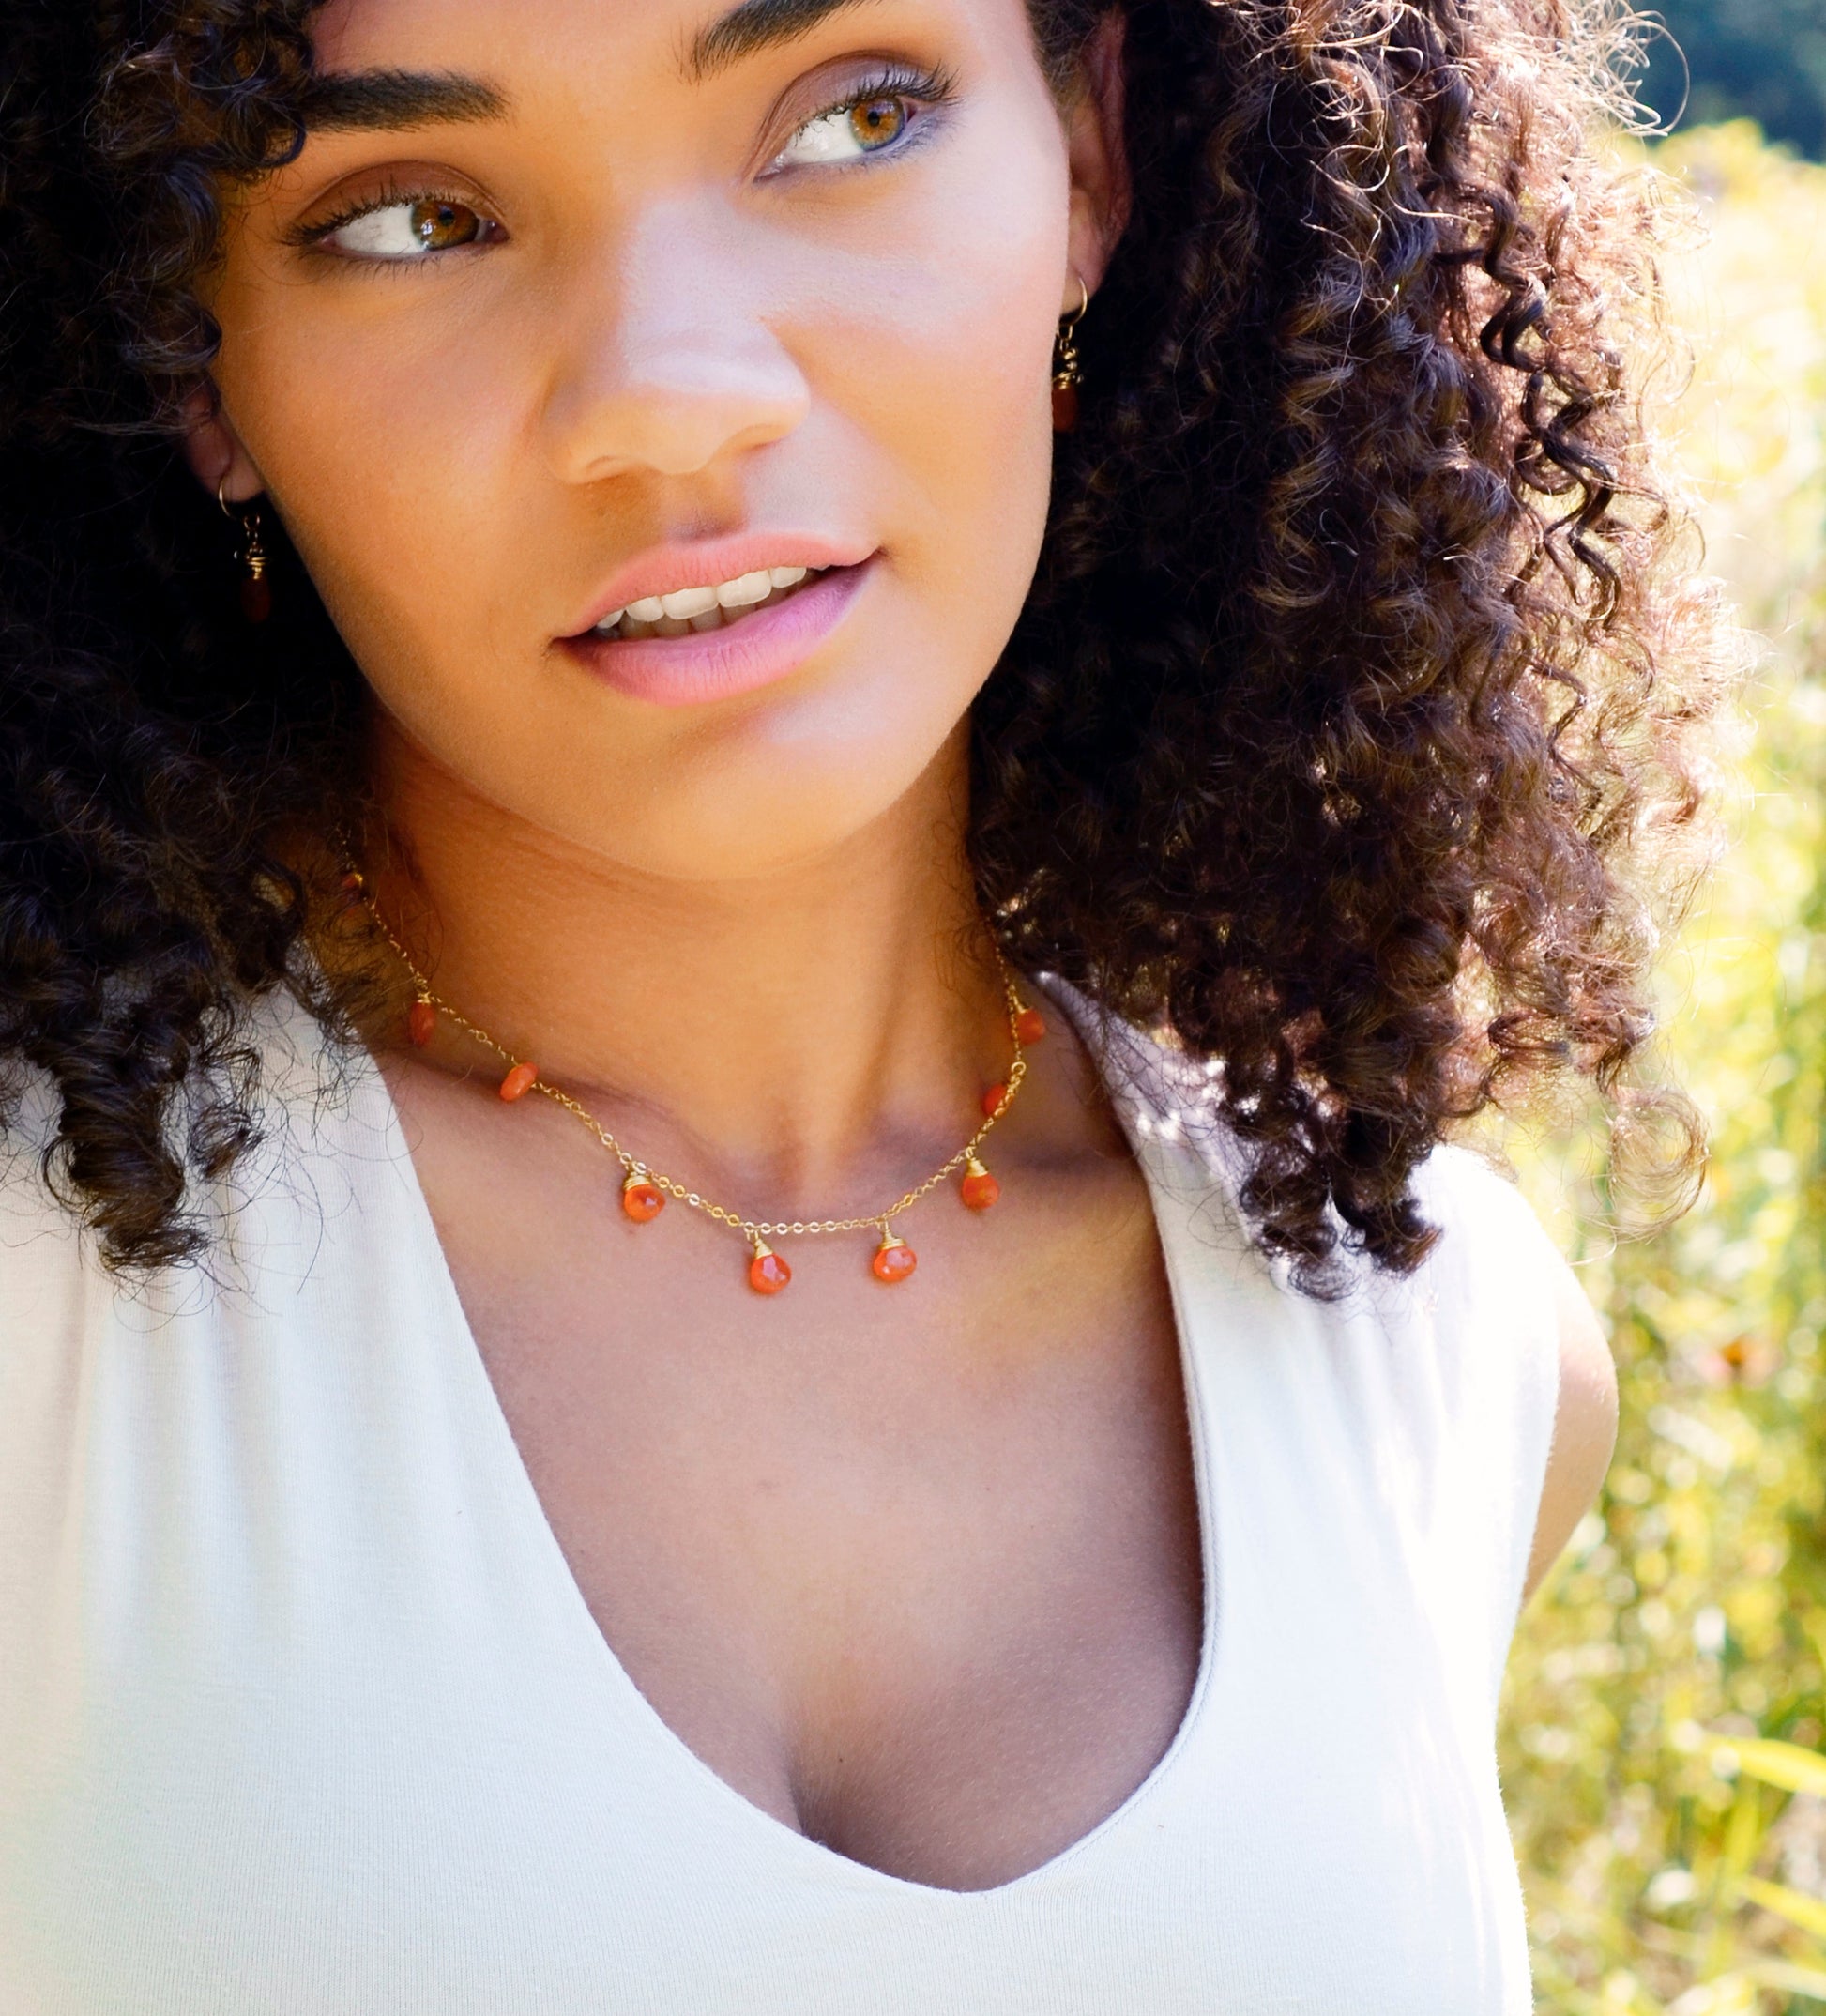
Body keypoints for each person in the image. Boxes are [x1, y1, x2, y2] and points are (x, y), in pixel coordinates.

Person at [0, 0, 1717, 2008]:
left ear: (1090, 163)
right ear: (194, 359)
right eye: (410, 220)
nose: (670, 401)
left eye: (852, 119)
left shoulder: (1435, 1349)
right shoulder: (44, 1303)